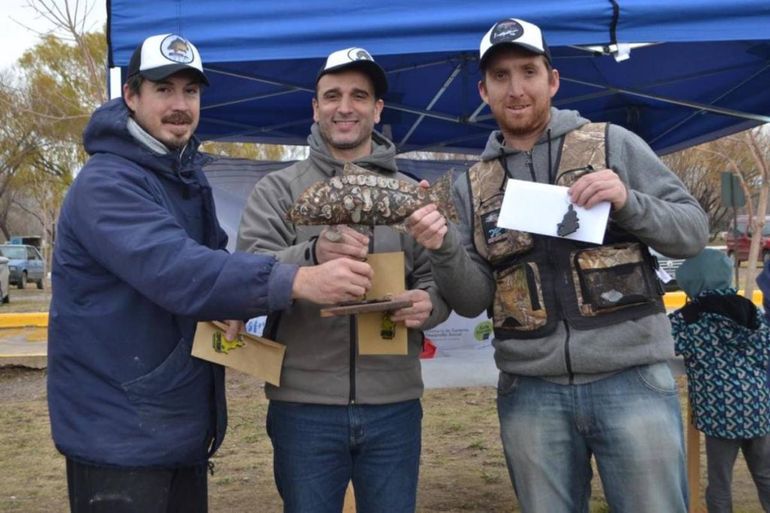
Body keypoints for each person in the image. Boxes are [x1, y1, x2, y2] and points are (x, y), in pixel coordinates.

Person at [47, 33, 373, 513]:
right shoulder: (107, 183)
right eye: (164, 89)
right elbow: (179, 271)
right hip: (119, 436)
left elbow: (216, 260)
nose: (180, 104)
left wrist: (232, 307)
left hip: (173, 425)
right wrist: (300, 280)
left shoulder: (182, 177)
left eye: (191, 91)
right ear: (131, 97)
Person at [407, 17, 710, 513]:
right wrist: (441, 248)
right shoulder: (469, 185)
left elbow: (694, 232)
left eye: (528, 71)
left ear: (553, 80)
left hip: (631, 379)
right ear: (484, 91)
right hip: (530, 392)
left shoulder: (613, 143)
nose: (517, 88)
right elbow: (471, 299)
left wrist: (629, 200)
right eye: (501, 77)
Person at [237, 47, 450, 513]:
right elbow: (248, 271)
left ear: (378, 109)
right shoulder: (279, 189)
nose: (345, 106)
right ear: (315, 108)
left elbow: (439, 280)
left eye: (359, 95)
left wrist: (427, 304)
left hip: (393, 406)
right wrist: (311, 255)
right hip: (303, 407)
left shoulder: (410, 192)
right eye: (331, 95)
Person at [671, 249, 770, 513]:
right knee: (765, 474)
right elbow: (765, 351)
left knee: (720, 482)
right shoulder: (750, 310)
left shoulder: (690, 318)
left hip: (720, 411)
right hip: (757, 405)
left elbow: (668, 343)